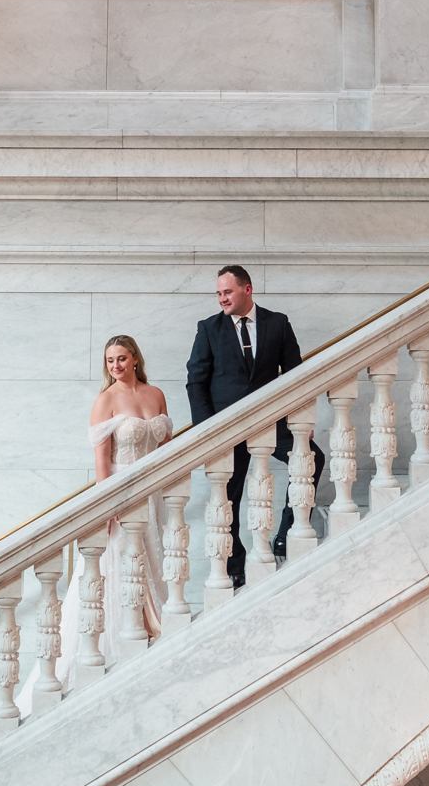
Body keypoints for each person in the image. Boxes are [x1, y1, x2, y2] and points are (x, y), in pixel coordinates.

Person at [185, 264, 323, 587]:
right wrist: (207, 430)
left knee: (312, 460)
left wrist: (300, 418)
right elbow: (196, 382)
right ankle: (235, 566)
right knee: (228, 498)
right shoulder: (208, 329)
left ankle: (286, 535)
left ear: (247, 289)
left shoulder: (278, 323)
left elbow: (294, 375)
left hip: (270, 423)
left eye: (227, 292)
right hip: (227, 429)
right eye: (218, 293)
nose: (222, 299)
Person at [59, 334, 170, 684]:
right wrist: (108, 503)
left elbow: (167, 446)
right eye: (110, 361)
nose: (116, 366)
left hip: (153, 493)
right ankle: (117, 647)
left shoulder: (156, 395)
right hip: (121, 492)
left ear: (135, 358)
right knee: (120, 565)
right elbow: (101, 460)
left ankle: (153, 635)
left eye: (121, 358)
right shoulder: (105, 401)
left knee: (152, 557)